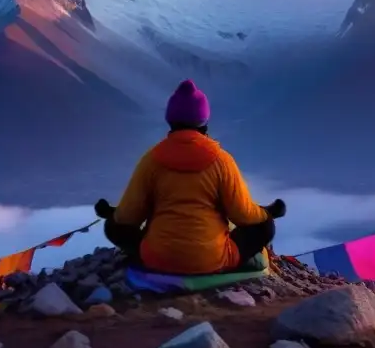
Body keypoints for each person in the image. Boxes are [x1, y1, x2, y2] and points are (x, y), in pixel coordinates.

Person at [94, 79, 285, 275]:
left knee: (114, 227)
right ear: (204, 120)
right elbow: (242, 214)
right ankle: (224, 261)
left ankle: (153, 256)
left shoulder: (151, 160)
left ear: (170, 119)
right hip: (213, 260)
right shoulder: (222, 160)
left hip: (158, 259)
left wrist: (112, 214)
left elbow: (129, 216)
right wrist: (267, 213)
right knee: (265, 226)